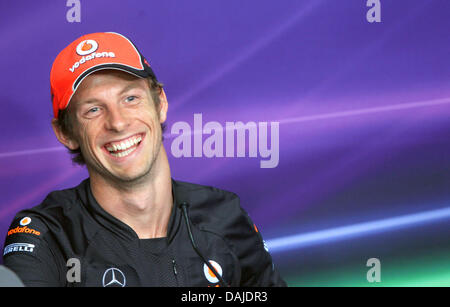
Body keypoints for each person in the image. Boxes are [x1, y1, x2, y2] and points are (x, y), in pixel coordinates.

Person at [2, 32, 286, 287]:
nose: (118, 122)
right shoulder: (46, 234)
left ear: (160, 103)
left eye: (130, 98)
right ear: (66, 133)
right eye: (93, 110)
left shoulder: (225, 215)